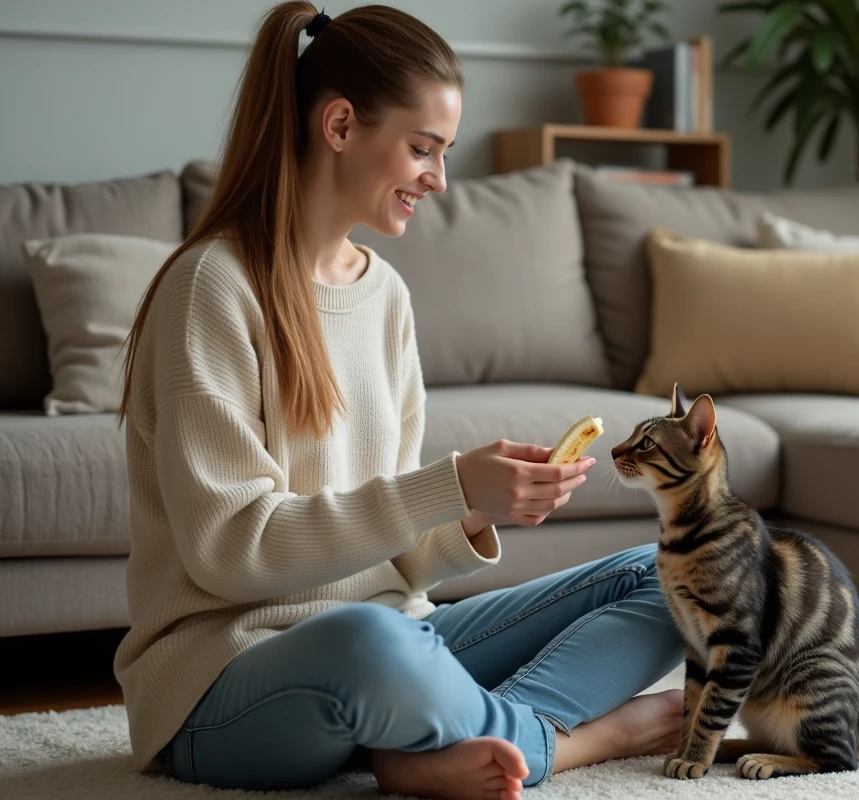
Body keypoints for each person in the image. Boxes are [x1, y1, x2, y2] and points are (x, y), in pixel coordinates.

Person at [111, 4, 685, 798]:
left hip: (402, 641)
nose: (439, 179)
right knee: (375, 644)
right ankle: (577, 739)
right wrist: (445, 486)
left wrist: (477, 512)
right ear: (340, 124)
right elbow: (230, 551)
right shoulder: (211, 286)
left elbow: (400, 557)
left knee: (673, 572)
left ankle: (441, 741)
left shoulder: (385, 295)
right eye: (423, 149)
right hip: (227, 679)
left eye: (442, 154)